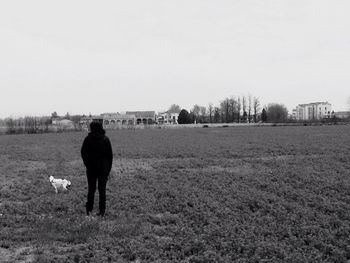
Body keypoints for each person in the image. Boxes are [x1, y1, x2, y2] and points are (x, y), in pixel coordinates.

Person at [81, 121, 113, 217]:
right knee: (102, 190)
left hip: (91, 169)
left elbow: (83, 153)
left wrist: (87, 164)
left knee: (91, 189)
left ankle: (89, 211)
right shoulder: (105, 139)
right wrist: (108, 169)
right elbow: (110, 156)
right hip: (103, 169)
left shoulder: (87, 139)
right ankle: (102, 212)